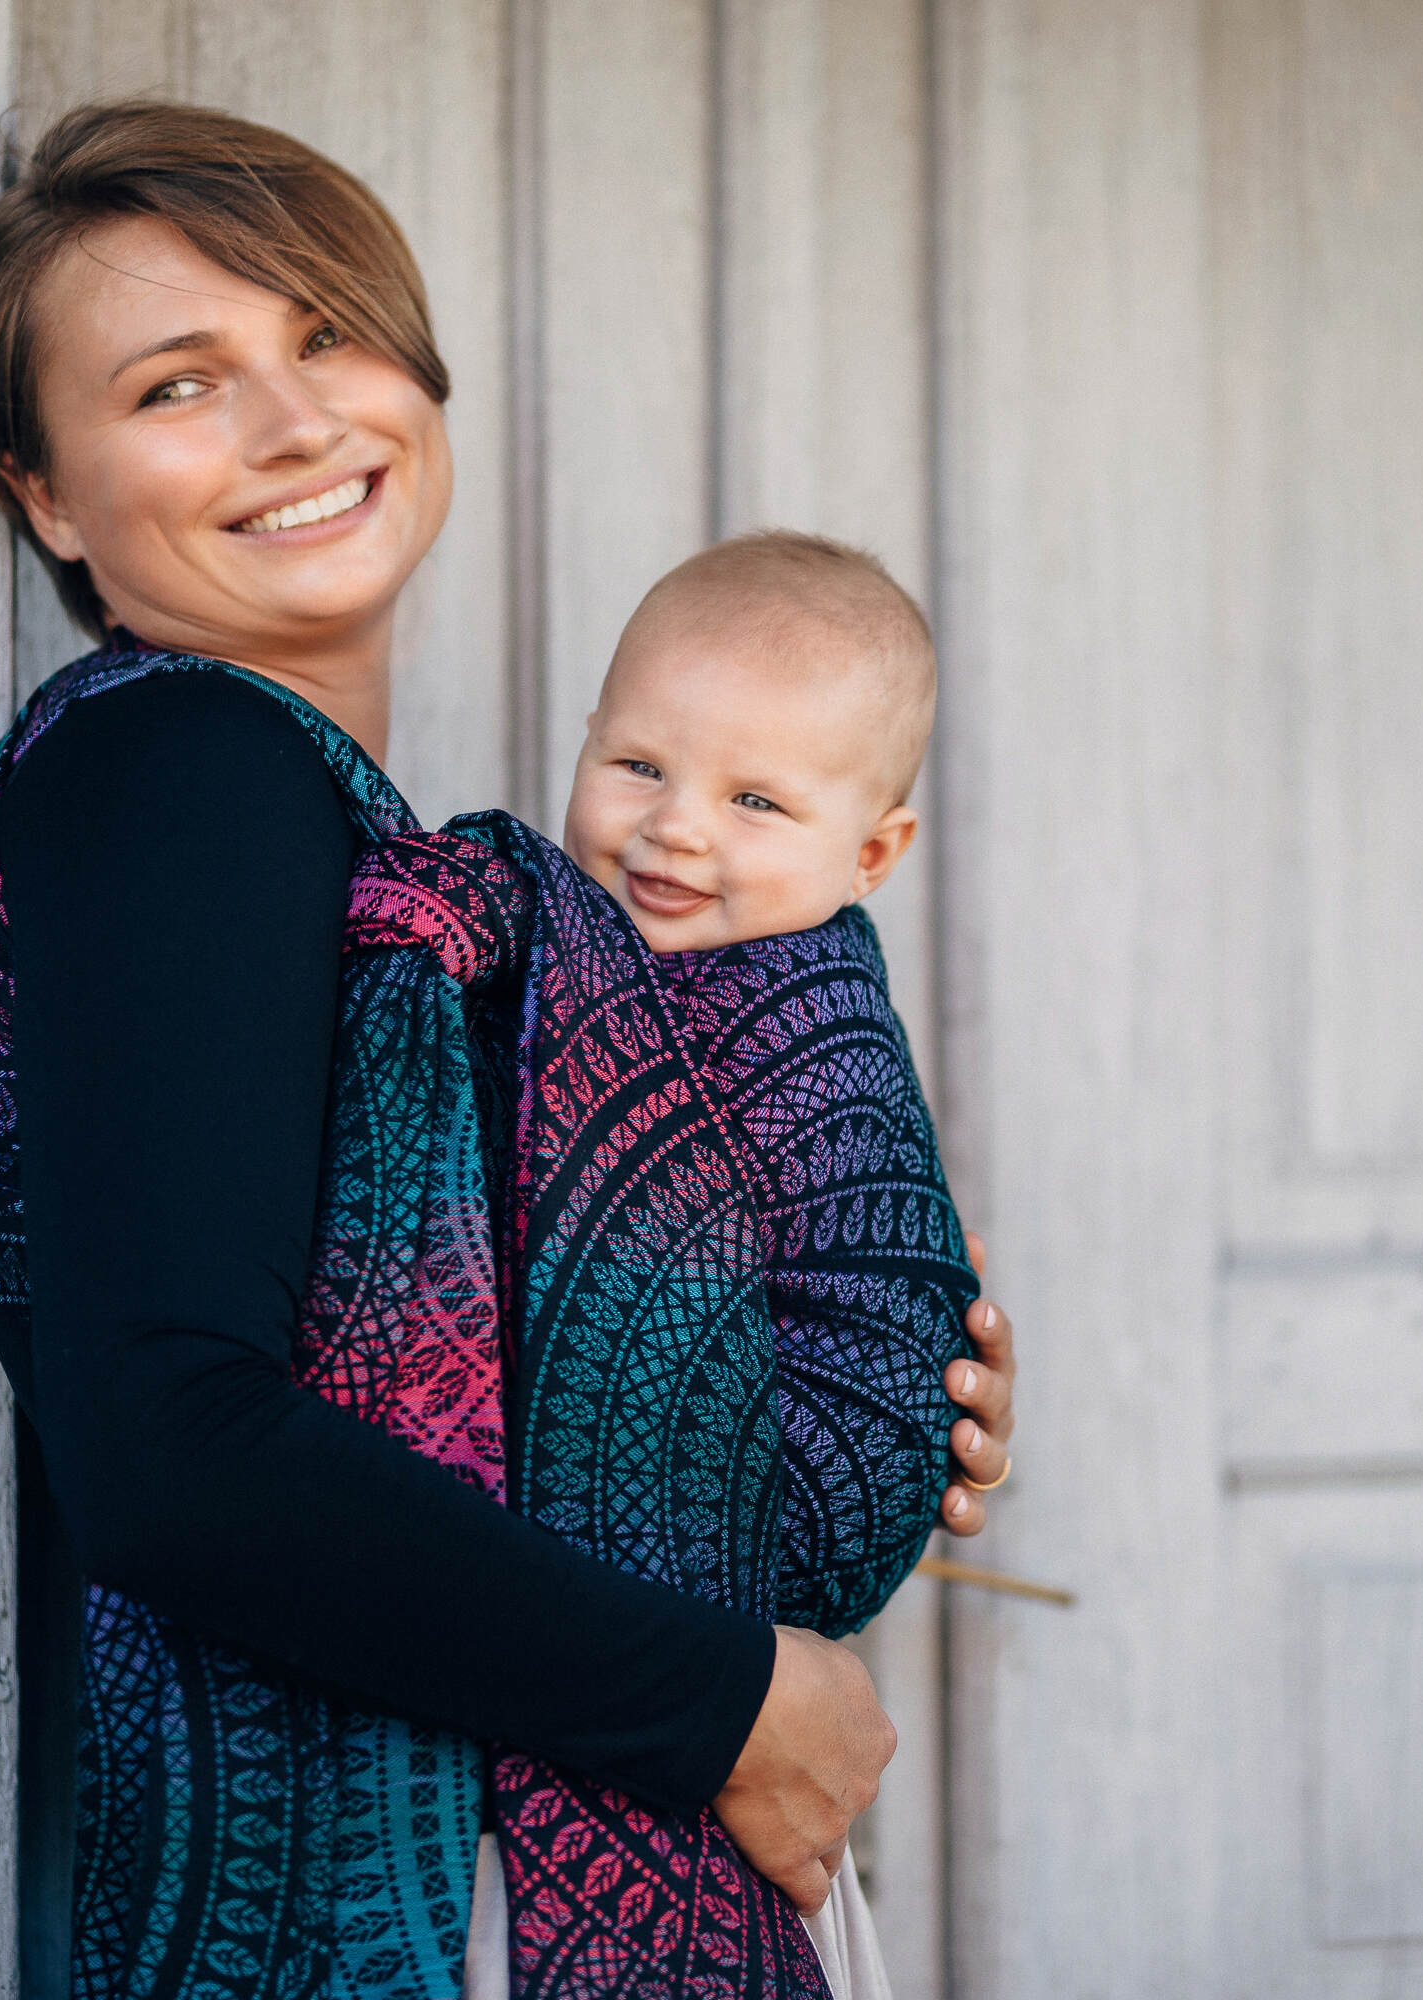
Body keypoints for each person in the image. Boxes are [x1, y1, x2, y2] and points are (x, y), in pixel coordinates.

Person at [0, 102, 1017, 1999]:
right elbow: (174, 1447)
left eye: (324, 334)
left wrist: (822, 1368)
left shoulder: (346, 841)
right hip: (417, 1887)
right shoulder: (187, 770)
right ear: (48, 494)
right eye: (179, 384)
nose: (293, 421)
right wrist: (731, 1698)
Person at [350, 529, 970, 2000]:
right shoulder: (585, 974)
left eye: (756, 799)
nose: (675, 831)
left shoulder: (807, 1036)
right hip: (598, 1669)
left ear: (871, 852)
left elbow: (882, 1302)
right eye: (639, 766)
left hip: (746, 1600)